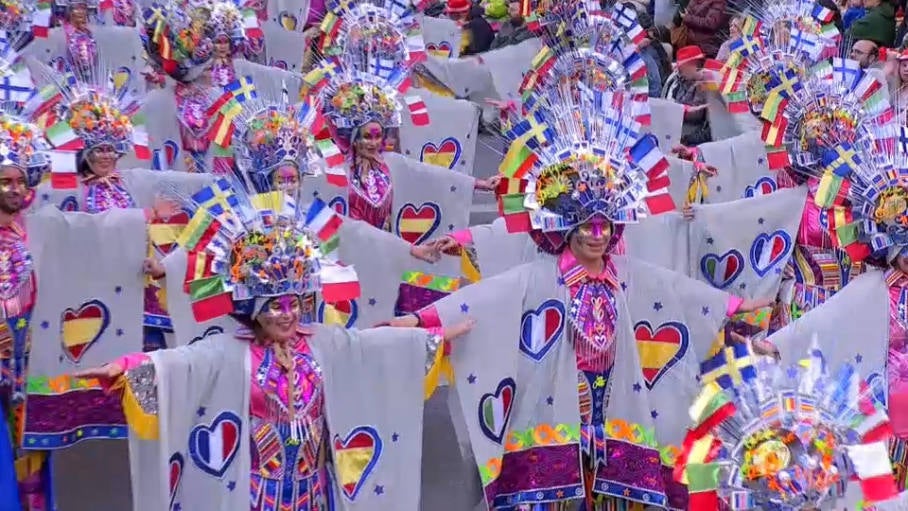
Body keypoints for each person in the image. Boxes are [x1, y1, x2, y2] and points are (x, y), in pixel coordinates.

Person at [395, 87, 771, 510]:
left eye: (607, 224)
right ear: (565, 228)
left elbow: (681, 297)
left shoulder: (627, 274)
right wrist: (418, 322)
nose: (599, 235)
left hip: (617, 400)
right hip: (555, 402)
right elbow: (484, 298)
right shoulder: (539, 277)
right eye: (588, 226)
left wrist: (736, 314)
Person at [72, 180, 475, 511]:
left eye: (294, 304)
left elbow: (375, 347)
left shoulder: (323, 343)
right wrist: (128, 367)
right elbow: (179, 363)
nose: (286, 315)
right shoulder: (231, 351)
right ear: (251, 308)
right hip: (255, 494)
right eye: (274, 306)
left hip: (315, 492)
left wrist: (434, 336)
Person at [303, 0, 498, 233]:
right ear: (353, 136)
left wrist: (480, 183)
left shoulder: (389, 164)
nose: (374, 142)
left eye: (379, 135)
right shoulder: (336, 168)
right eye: (367, 136)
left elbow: (431, 175)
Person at [0, 109, 53, 511]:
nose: (14, 189)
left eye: (20, 181)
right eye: (5, 181)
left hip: (31, 354)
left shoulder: (37, 228)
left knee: (32, 446)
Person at [663, 45, 711, 146]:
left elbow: (696, 116)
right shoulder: (679, 80)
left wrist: (686, 140)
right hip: (676, 128)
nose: (679, 70)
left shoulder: (708, 84)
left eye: (681, 67)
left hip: (692, 135)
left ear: (693, 64)